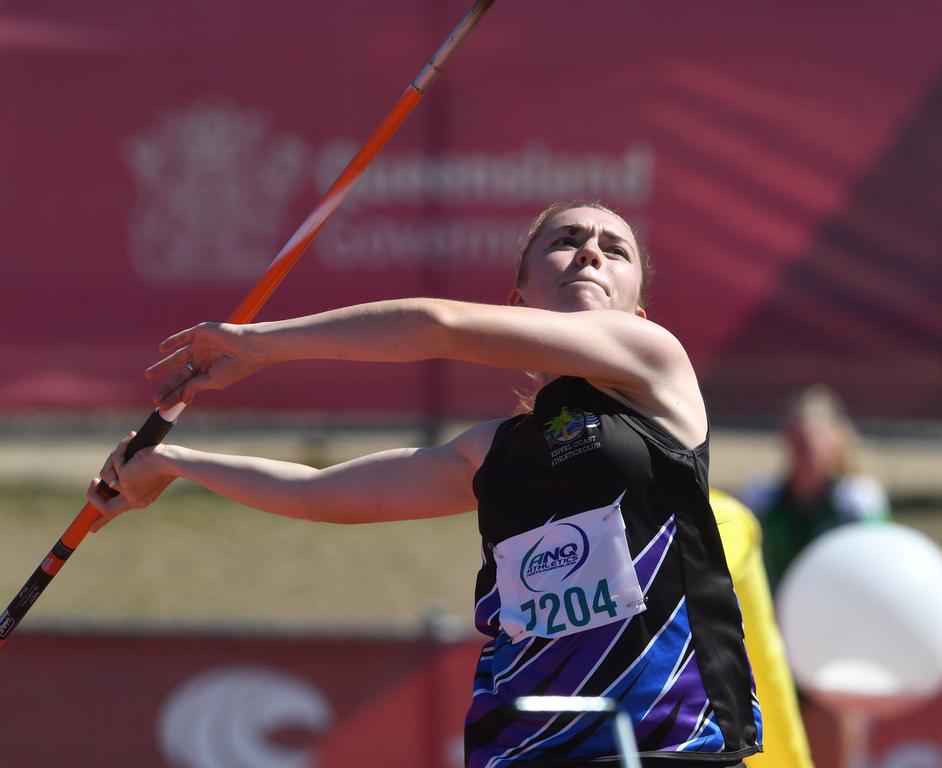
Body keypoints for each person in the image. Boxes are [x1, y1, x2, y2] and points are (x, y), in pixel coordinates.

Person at [90, 201, 763, 767]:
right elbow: (316, 494)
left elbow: (438, 326)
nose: (591, 253)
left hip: (670, 744)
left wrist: (261, 344)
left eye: (615, 250)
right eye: (565, 241)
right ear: (518, 301)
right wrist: (175, 465)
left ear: (637, 317)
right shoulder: (490, 453)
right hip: (523, 749)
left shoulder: (657, 371)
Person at [742, 385, 890, 591]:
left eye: (810, 447)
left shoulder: (857, 503)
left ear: (835, 443)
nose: (803, 456)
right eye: (796, 444)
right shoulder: (762, 501)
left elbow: (876, 566)